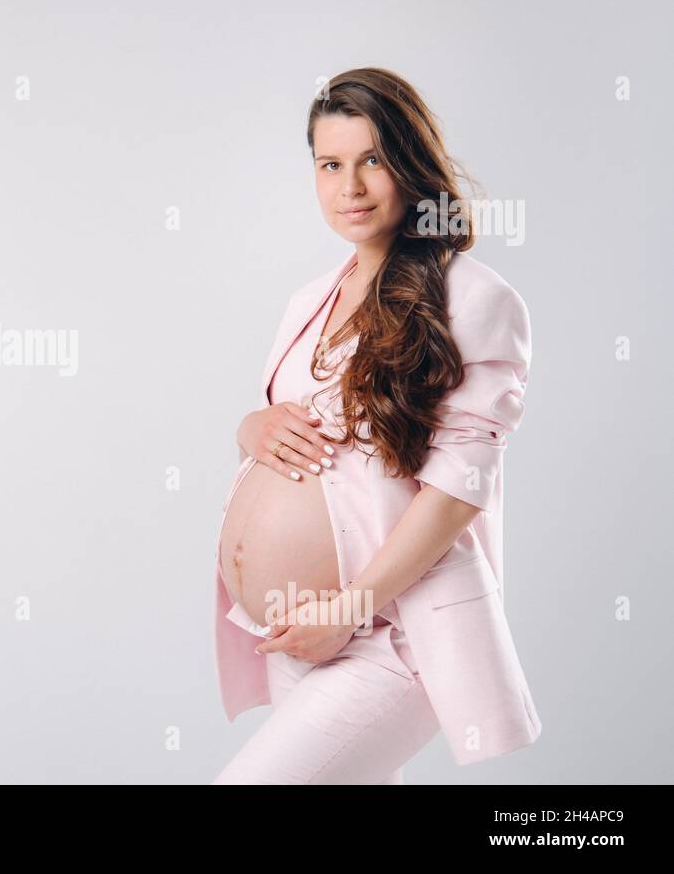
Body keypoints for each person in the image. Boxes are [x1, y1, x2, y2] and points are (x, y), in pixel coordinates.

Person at [212, 67, 541, 783]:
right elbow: (294, 428)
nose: (349, 187)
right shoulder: (310, 298)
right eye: (330, 164)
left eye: (373, 161)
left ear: (412, 165)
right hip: (296, 633)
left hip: (390, 635)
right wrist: (250, 427)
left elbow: (458, 492)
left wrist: (350, 609)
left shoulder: (475, 298)